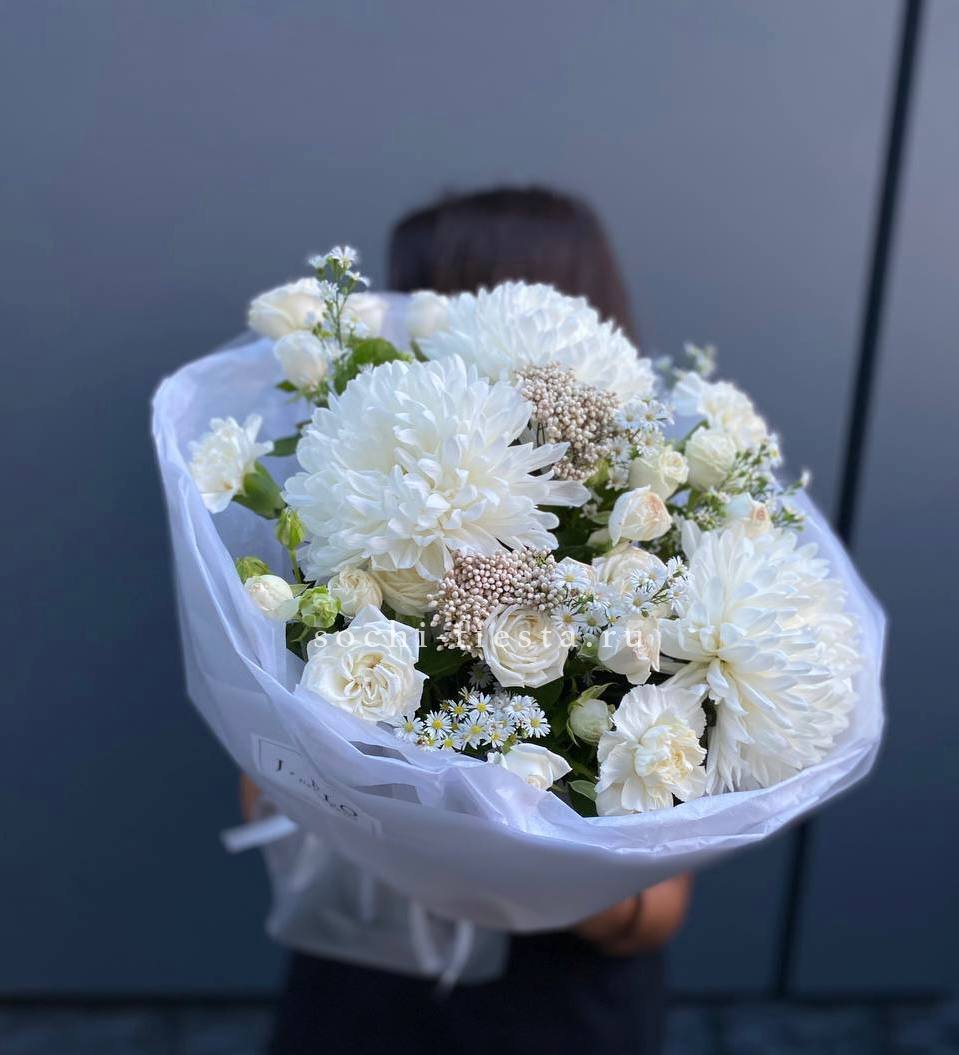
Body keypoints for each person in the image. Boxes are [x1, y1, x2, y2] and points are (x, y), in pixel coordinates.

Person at [258, 187, 691, 1054]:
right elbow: (261, 784)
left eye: (410, 292)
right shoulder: (339, 510)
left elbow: (652, 912)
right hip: (369, 978)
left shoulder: (663, 541)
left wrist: (498, 855)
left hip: (551, 1001)